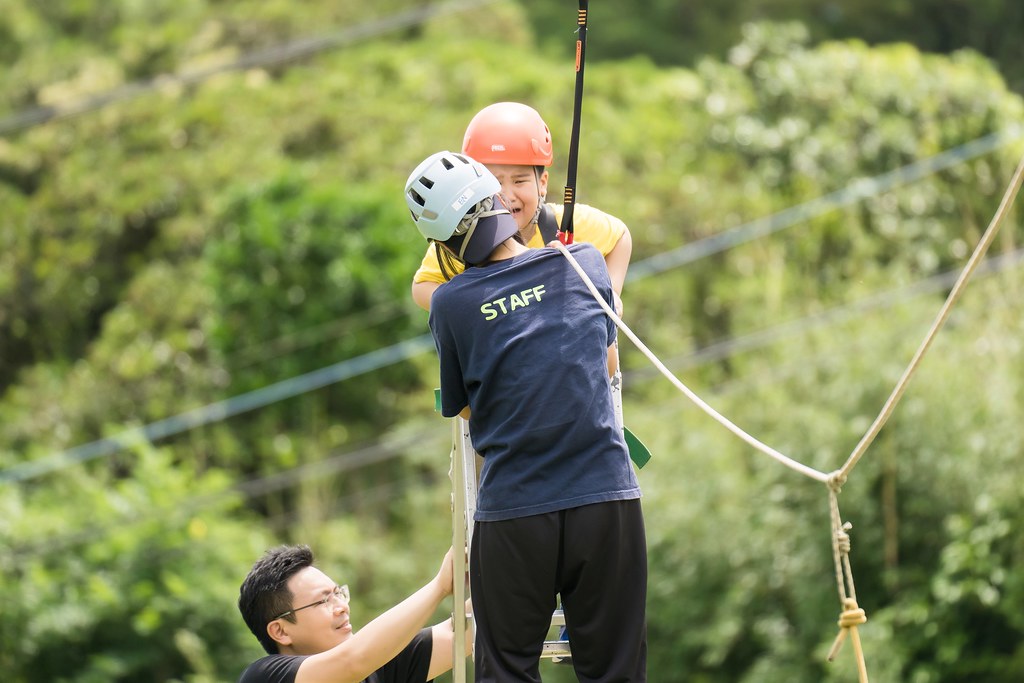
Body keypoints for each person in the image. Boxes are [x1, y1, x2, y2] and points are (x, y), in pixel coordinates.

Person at [404, 151, 647, 682]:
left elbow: (465, 406)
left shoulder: (451, 304)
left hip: (515, 510)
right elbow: (603, 362)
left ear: (441, 244)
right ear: (497, 202)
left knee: (507, 671)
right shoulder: (582, 262)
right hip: (605, 499)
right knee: (617, 672)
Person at [410, 101, 632, 316]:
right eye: (495, 183)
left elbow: (620, 236)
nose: (507, 195)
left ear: (542, 183)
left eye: (519, 181)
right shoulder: (462, 238)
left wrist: (610, 293)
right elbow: (422, 287)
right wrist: (473, 307)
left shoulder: (564, 222)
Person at [237, 544, 469, 683]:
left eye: (339, 593)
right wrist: (440, 586)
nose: (342, 606)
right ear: (280, 631)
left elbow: (461, 631)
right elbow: (354, 659)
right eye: (323, 601)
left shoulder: (378, 668)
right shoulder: (264, 677)